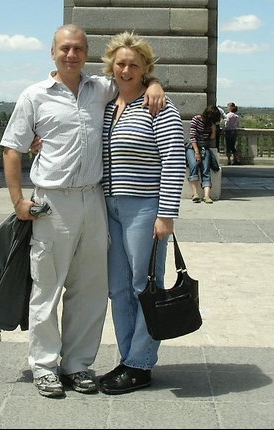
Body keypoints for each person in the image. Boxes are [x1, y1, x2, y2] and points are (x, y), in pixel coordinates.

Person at [0, 24, 165, 398]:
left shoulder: (100, 89)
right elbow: (12, 149)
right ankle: (44, 365)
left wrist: (155, 84)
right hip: (52, 202)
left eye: (78, 49)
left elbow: (133, 77)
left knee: (90, 289)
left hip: (94, 200)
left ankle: (77, 364)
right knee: (48, 286)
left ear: (87, 54)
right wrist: (18, 201)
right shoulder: (34, 96)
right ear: (53, 51)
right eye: (65, 48)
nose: (71, 55)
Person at [97, 32, 187, 395]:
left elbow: (174, 159)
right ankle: (127, 357)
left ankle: (140, 364)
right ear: (111, 66)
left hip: (145, 208)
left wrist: (166, 215)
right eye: (121, 63)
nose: (126, 69)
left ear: (145, 68)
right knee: (118, 289)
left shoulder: (160, 107)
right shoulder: (107, 105)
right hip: (111, 207)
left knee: (143, 286)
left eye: (134, 64)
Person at [186, 104, 222, 203]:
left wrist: (213, 130)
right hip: (192, 147)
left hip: (204, 147)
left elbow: (211, 138)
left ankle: (207, 196)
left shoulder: (211, 123)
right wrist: (197, 152)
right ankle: (195, 193)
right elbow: (192, 137)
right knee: (193, 166)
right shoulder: (196, 119)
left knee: (205, 169)